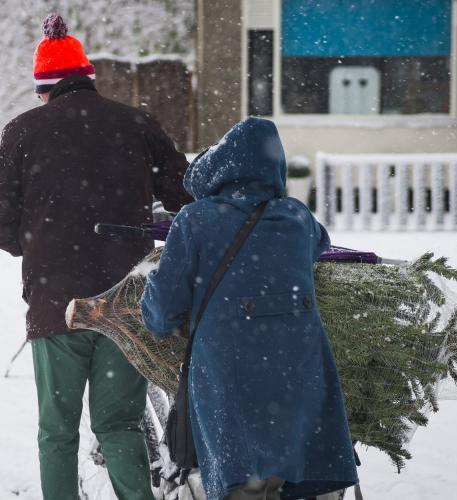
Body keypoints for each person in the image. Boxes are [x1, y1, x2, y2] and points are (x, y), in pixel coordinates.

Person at [0, 14, 190, 500]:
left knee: (58, 430)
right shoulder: (137, 123)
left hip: (57, 304)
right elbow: (184, 195)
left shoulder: (24, 132)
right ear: (87, 79)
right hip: (124, 299)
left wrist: (34, 245)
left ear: (45, 88)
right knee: (119, 424)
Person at [140, 117, 358, 500]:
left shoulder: (195, 220)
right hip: (300, 371)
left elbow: (161, 307)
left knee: (245, 480)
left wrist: (161, 316)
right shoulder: (297, 218)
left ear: (218, 168)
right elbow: (319, 243)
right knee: (295, 475)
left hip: (230, 374)